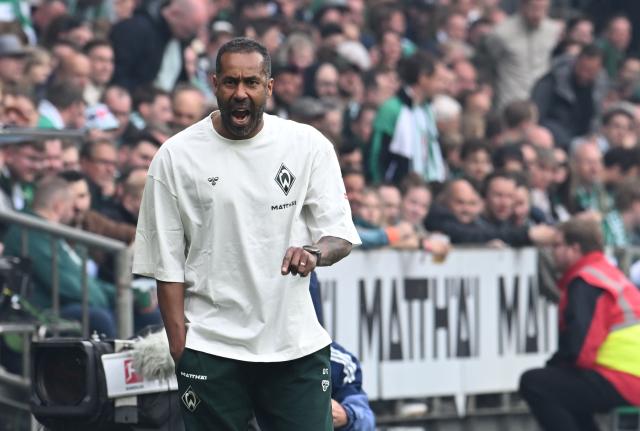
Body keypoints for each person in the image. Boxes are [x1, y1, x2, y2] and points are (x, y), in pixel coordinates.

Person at [132, 38, 361, 430]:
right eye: (231, 83)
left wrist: (314, 253)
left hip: (294, 344)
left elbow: (339, 234)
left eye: (251, 83)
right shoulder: (175, 156)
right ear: (214, 83)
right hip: (211, 347)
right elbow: (166, 264)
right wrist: (180, 350)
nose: (241, 94)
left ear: (269, 87)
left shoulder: (307, 145)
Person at [519, 218, 640, 431]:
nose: (552, 252)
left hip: (623, 378)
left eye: (557, 246)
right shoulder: (607, 274)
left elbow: (580, 347)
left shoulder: (586, 282)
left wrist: (553, 366)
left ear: (574, 249)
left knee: (535, 383)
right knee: (565, 388)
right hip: (628, 374)